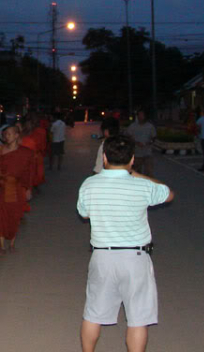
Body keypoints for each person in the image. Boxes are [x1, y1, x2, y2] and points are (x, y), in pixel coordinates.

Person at [77, 134, 175, 352]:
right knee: (138, 319)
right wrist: (136, 174)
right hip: (135, 258)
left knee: (93, 314)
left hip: (102, 257)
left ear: (104, 158)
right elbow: (168, 194)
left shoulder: (90, 184)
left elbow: (84, 214)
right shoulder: (141, 186)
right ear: (132, 159)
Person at [0, 125, 35, 253]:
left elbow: (29, 172)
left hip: (17, 187)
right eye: (5, 134)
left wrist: (28, 188)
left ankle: (12, 243)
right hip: (3, 187)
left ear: (17, 135)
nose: (7, 137)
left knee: (15, 216)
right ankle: (1, 246)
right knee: (1, 215)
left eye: (10, 134)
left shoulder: (26, 152)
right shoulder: (0, 150)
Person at [126, 110, 157, 177]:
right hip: (137, 153)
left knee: (149, 172)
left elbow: (154, 137)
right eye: (139, 115)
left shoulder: (150, 126)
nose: (141, 117)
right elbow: (128, 136)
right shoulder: (133, 126)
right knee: (136, 172)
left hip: (147, 153)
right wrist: (136, 142)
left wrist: (149, 142)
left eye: (142, 115)